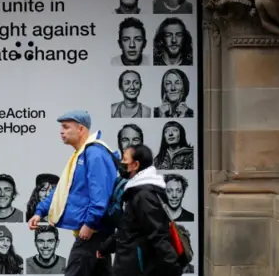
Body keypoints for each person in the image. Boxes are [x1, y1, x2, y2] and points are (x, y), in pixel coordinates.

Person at [27, 110, 117, 276]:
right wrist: (40, 212)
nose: (62, 131)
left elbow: (101, 196)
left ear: (81, 129)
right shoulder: (81, 155)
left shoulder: (94, 154)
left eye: (66, 127)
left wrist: (90, 224)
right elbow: (63, 190)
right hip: (94, 232)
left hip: (92, 234)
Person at [97, 144, 182, 276]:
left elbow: (158, 234)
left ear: (135, 165)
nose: (121, 164)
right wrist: (105, 248)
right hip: (129, 264)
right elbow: (127, 229)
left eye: (125, 160)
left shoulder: (143, 196)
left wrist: (172, 266)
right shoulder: (137, 192)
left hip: (136, 267)